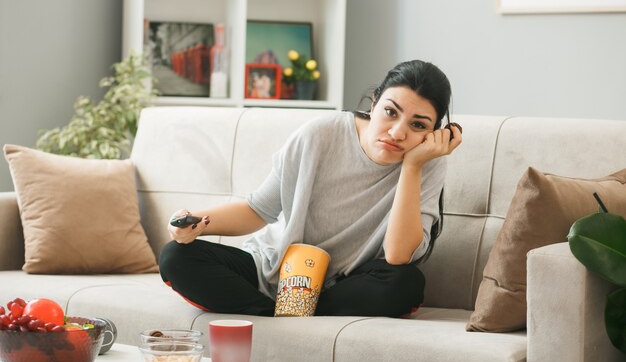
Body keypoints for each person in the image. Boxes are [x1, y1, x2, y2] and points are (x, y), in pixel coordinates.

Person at [159, 60, 462, 317]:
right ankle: (279, 314)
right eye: (391, 112)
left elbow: (397, 255)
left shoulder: (427, 163)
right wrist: (196, 223)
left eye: (418, 125)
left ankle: (291, 313)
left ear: (432, 133)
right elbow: (257, 210)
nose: (397, 132)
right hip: (270, 271)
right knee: (176, 257)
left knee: (405, 283)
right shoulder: (321, 134)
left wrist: (412, 167)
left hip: (339, 287)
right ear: (374, 103)